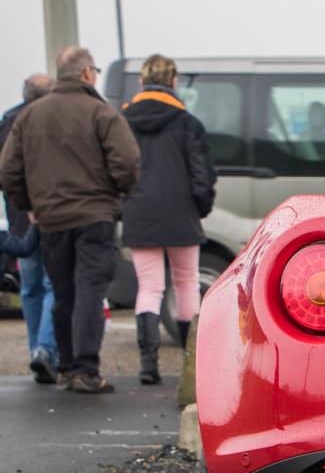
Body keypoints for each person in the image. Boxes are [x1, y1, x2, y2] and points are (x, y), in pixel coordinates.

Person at [0, 47, 140, 394]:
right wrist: (116, 196)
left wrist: (27, 204)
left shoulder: (30, 116)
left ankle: (65, 366)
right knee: (90, 291)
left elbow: (8, 169)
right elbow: (128, 163)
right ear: (86, 73)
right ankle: (86, 370)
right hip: (94, 217)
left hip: (51, 221)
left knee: (63, 293)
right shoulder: (101, 113)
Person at [121, 54, 216, 384]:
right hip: (181, 214)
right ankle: (191, 366)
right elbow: (202, 175)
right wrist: (200, 208)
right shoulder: (188, 123)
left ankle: (149, 365)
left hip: (139, 214)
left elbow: (116, 169)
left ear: (141, 83)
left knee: (149, 287)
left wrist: (125, 204)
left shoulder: (123, 121)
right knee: (187, 283)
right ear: (174, 82)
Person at [0, 73, 58, 383]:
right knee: (52, 284)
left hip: (19, 217)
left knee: (30, 287)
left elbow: (5, 171)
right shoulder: (49, 120)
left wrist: (20, 204)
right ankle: (46, 349)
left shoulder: (8, 120)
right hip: (48, 213)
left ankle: (36, 346)